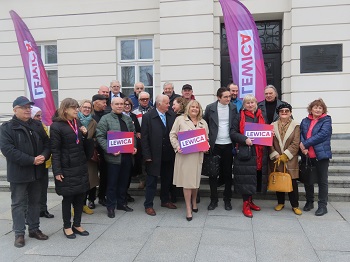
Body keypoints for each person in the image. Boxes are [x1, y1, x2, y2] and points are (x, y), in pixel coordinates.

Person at [0, 96, 50, 247]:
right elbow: (9, 150)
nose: (28, 110)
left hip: (37, 172)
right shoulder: (6, 128)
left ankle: (34, 229)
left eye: (29, 107)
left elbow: (48, 143)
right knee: (18, 204)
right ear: (15, 110)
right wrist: (31, 160)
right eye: (24, 107)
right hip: (19, 173)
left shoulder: (37, 124)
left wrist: (44, 155)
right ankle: (19, 233)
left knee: (35, 202)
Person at [50, 98, 90, 239]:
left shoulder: (76, 122)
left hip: (79, 165)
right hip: (66, 168)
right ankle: (67, 226)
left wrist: (85, 135)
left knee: (80, 196)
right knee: (68, 198)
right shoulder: (56, 126)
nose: (77, 110)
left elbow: (80, 144)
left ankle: (77, 224)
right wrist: (57, 171)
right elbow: (55, 151)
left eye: (77, 107)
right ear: (65, 109)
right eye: (74, 108)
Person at [96, 97, 137, 218]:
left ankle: (121, 203)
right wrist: (109, 149)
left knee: (124, 182)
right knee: (112, 184)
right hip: (113, 158)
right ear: (112, 105)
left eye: (122, 104)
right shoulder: (105, 119)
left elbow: (133, 134)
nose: (120, 106)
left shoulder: (127, 119)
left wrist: (134, 146)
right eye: (117, 104)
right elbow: (100, 136)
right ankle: (110, 207)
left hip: (127, 157)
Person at [170, 100, 209, 221]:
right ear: (188, 108)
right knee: (187, 183)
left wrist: (207, 145)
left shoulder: (203, 122)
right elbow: (172, 135)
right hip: (185, 156)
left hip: (197, 156)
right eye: (192, 107)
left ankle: (194, 202)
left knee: (195, 182)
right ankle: (188, 208)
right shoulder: (180, 120)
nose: (194, 109)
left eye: (197, 107)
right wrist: (177, 146)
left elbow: (206, 138)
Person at [231, 94, 268, 218]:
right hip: (245, 152)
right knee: (246, 179)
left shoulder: (262, 115)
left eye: (252, 102)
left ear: (256, 103)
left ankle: (250, 202)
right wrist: (244, 139)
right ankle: (245, 205)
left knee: (254, 178)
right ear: (244, 105)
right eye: (248, 103)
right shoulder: (238, 116)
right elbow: (232, 133)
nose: (250, 105)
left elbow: (266, 130)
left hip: (259, 152)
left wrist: (270, 132)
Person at [142, 94, 177, 216]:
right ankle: (148, 205)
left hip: (169, 154)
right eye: (167, 103)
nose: (169, 105)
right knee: (151, 181)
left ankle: (165, 200)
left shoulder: (172, 115)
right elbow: (144, 138)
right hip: (154, 155)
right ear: (159, 104)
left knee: (167, 179)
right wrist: (147, 155)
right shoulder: (148, 117)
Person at [203, 87, 237, 211]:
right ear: (218, 97)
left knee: (228, 173)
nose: (229, 98)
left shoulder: (233, 107)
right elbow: (205, 125)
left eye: (229, 96)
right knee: (213, 174)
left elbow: (236, 125)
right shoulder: (210, 108)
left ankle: (227, 199)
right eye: (225, 97)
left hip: (228, 145)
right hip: (215, 145)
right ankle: (214, 199)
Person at [300, 98, 332, 216]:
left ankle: (322, 206)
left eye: (320, 108)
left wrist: (305, 144)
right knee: (308, 180)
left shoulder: (326, 120)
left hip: (321, 155)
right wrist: (302, 147)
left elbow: (323, 135)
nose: (317, 109)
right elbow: (301, 134)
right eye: (315, 107)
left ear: (323, 110)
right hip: (307, 155)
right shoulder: (305, 120)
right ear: (311, 109)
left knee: (322, 181)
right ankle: (309, 202)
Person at [269, 102, 302, 215]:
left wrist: (286, 155)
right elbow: (269, 142)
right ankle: (280, 203)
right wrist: (275, 154)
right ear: (278, 113)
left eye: (286, 111)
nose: (284, 113)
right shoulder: (272, 125)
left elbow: (296, 142)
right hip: (277, 158)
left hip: (290, 158)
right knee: (279, 180)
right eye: (281, 111)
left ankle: (295, 205)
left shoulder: (296, 125)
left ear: (290, 113)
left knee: (292, 182)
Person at [31, 106, 54, 219]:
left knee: (44, 188)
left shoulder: (42, 125)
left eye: (41, 115)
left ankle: (43, 209)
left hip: (44, 161)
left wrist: (45, 155)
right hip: (33, 163)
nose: (40, 118)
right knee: (32, 191)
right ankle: (29, 213)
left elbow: (47, 143)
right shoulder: (29, 127)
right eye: (37, 116)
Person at [78, 100, 99, 213]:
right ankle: (78, 204)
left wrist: (91, 142)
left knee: (91, 179)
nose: (86, 109)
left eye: (88, 107)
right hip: (77, 154)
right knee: (79, 180)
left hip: (90, 155)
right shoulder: (75, 120)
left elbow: (97, 136)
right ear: (80, 108)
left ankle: (90, 200)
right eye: (84, 107)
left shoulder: (93, 122)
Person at [132, 91, 153, 189]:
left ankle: (150, 179)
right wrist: (136, 132)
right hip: (140, 140)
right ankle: (142, 180)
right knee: (141, 161)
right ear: (139, 100)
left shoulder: (154, 110)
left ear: (149, 100)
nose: (144, 101)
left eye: (146, 99)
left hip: (152, 139)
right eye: (142, 99)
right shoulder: (134, 112)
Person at [123, 97, 141, 203]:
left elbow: (137, 131)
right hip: (119, 149)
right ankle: (121, 194)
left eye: (128, 105)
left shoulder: (133, 116)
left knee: (128, 173)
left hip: (130, 148)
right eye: (125, 104)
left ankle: (126, 192)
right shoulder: (118, 116)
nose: (126, 106)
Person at [91, 94, 108, 206]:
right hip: (92, 151)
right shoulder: (90, 116)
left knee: (105, 175)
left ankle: (102, 196)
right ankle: (91, 199)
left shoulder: (107, 115)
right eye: (103, 102)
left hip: (105, 150)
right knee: (92, 176)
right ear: (96, 102)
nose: (105, 104)